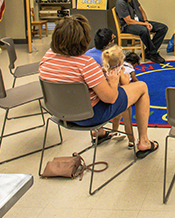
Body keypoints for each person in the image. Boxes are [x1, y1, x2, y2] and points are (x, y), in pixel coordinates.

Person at [39, 15, 158, 158]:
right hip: (89, 116)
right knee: (142, 87)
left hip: (60, 113)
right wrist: (113, 81)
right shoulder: (85, 64)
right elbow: (110, 98)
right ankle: (144, 141)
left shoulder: (47, 57)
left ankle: (100, 132)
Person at [115, 0, 169, 64]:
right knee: (143, 30)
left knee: (163, 28)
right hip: (128, 26)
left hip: (139, 22)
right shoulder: (120, 2)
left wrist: (146, 21)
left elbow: (141, 10)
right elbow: (128, 21)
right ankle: (153, 53)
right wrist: (145, 24)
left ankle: (148, 52)